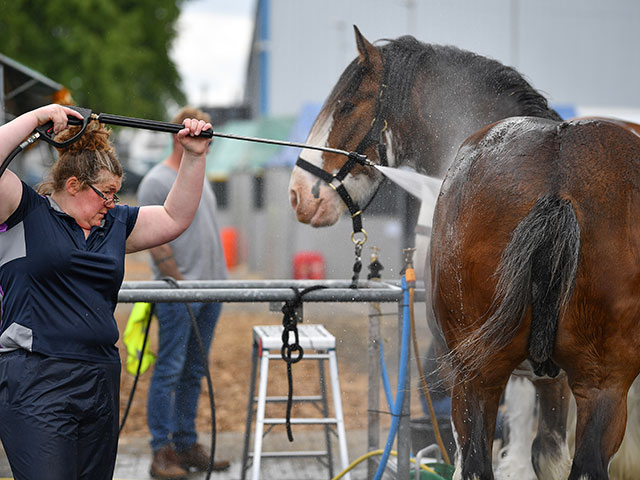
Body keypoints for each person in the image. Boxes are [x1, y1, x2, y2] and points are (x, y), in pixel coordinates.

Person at [0, 104, 212, 480]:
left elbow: (173, 217)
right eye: (106, 194)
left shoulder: (114, 223)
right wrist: (36, 117)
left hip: (98, 376)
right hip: (35, 377)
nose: (112, 202)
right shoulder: (23, 210)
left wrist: (194, 158)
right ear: (73, 185)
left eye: (116, 194)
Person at [137, 106, 229, 478]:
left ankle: (186, 443)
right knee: (169, 370)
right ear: (182, 134)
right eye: (200, 130)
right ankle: (162, 451)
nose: (206, 137)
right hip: (179, 294)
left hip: (212, 289)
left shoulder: (198, 174)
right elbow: (157, 246)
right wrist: (179, 285)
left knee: (194, 370)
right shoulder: (156, 180)